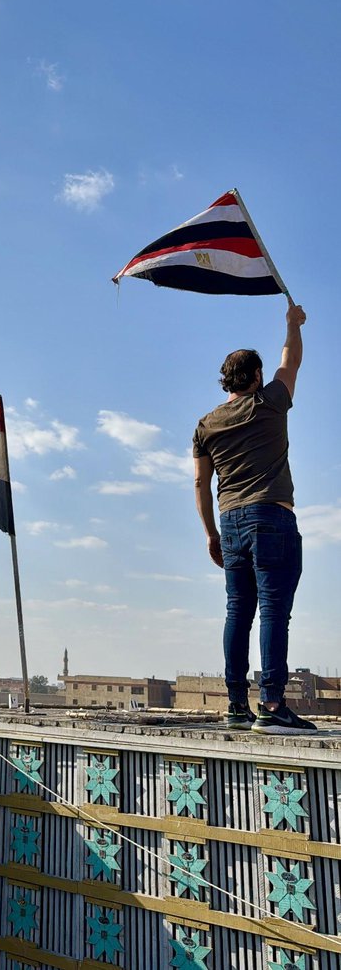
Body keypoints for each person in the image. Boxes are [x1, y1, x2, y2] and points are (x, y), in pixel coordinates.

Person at [192, 302, 315, 735]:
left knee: (237, 611)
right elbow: (291, 360)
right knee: (274, 613)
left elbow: (200, 485)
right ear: (256, 378)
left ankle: (235, 705)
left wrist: (210, 534)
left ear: (226, 380)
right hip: (271, 517)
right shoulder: (271, 401)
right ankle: (273, 704)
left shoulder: (206, 425)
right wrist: (292, 324)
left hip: (230, 523)